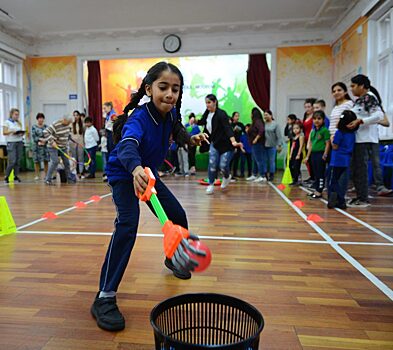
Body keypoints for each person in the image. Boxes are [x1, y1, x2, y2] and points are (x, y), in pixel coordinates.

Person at [91, 62, 208, 332]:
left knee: (177, 215)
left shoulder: (170, 113)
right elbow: (128, 145)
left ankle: (172, 257)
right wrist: (133, 169)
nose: (169, 94)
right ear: (149, 88)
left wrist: (192, 140)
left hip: (148, 173)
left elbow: (177, 131)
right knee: (128, 225)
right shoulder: (139, 118)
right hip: (125, 174)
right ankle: (104, 297)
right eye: (163, 87)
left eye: (175, 89)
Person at [347, 74, 392, 207]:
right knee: (356, 170)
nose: (351, 89)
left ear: (362, 86)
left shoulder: (369, 97)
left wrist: (361, 121)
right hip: (358, 139)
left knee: (361, 170)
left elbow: (378, 115)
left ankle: (363, 199)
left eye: (353, 86)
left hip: (365, 140)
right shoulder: (360, 100)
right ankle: (360, 196)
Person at [198, 94, 242, 195]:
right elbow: (202, 122)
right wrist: (195, 121)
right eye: (206, 103)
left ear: (215, 102)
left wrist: (233, 141)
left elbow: (227, 128)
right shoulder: (207, 113)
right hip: (214, 144)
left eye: (209, 102)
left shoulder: (221, 114)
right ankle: (211, 184)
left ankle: (227, 177)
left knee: (223, 166)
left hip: (226, 145)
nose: (207, 105)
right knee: (212, 164)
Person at [327, 110, 358, 210]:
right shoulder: (352, 134)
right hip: (346, 160)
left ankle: (338, 200)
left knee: (333, 181)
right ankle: (341, 201)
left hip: (336, 160)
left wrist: (332, 139)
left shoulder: (339, 133)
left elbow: (335, 146)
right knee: (341, 181)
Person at [40, 115, 75, 185]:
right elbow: (45, 132)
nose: (69, 124)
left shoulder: (68, 126)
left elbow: (66, 135)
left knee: (66, 163)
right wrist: (52, 141)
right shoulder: (56, 124)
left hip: (63, 147)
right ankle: (48, 179)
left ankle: (69, 179)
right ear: (64, 120)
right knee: (55, 161)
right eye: (68, 122)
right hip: (53, 146)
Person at [304, 111, 330, 198]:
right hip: (313, 154)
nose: (316, 121)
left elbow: (327, 143)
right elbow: (311, 144)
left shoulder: (325, 130)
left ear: (323, 120)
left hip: (320, 154)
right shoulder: (313, 131)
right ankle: (316, 189)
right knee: (315, 173)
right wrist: (307, 156)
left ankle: (319, 190)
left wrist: (325, 154)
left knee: (320, 173)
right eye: (314, 119)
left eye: (319, 119)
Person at [3, 108, 24, 183]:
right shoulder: (7, 122)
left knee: (18, 160)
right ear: (11, 114)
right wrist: (12, 131)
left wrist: (21, 133)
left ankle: (15, 175)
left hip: (19, 142)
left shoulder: (18, 123)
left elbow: (19, 131)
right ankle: (6, 176)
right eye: (15, 114)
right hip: (11, 143)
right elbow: (4, 132)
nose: (17, 116)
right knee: (12, 161)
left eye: (18, 115)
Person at [246, 107, 265, 182]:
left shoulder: (258, 121)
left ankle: (262, 176)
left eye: (251, 113)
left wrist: (256, 138)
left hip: (258, 144)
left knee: (259, 160)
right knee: (255, 159)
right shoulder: (255, 122)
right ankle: (254, 174)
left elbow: (261, 130)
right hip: (254, 144)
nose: (250, 115)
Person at [263, 110, 283, 182]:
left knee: (271, 161)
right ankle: (265, 175)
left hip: (272, 145)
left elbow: (279, 136)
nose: (265, 116)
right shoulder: (263, 124)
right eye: (264, 115)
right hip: (263, 146)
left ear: (271, 115)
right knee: (264, 161)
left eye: (267, 114)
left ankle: (271, 175)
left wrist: (279, 145)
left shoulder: (275, 124)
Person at [31, 113, 49, 181]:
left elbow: (48, 135)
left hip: (45, 145)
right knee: (36, 161)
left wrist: (45, 140)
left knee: (46, 160)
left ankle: (46, 174)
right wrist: (39, 139)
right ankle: (36, 175)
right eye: (39, 118)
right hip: (36, 145)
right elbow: (33, 136)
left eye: (42, 118)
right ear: (37, 119)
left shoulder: (46, 127)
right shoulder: (34, 127)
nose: (41, 119)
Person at [303, 98, 317, 183]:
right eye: (306, 107)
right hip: (305, 139)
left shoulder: (315, 116)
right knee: (308, 160)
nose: (307, 109)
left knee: (312, 159)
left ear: (313, 107)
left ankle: (315, 177)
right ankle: (311, 176)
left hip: (312, 139)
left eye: (309, 107)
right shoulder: (306, 116)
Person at [102, 101, 117, 181]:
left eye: (105, 108)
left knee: (111, 153)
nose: (104, 110)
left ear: (109, 107)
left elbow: (115, 126)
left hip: (112, 135)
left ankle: (112, 173)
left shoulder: (113, 115)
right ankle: (109, 173)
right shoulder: (108, 115)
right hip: (108, 135)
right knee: (108, 153)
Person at [230, 111, 245, 180]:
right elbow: (228, 133)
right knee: (230, 159)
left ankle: (235, 173)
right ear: (233, 117)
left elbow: (245, 131)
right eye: (236, 116)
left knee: (236, 160)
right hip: (231, 144)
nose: (237, 117)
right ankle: (229, 174)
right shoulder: (230, 125)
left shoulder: (241, 124)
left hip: (239, 144)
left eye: (238, 116)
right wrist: (233, 129)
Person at [289, 121, 304, 185]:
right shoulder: (294, 137)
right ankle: (293, 178)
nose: (295, 130)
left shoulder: (301, 136)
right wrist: (290, 154)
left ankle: (296, 180)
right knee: (291, 166)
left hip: (298, 153)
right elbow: (292, 146)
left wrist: (298, 154)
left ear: (300, 129)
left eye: (297, 128)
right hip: (293, 153)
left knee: (296, 166)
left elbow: (301, 146)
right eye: (294, 128)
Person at [70, 110, 85, 176]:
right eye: (74, 115)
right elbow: (69, 134)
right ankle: (75, 171)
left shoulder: (83, 124)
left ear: (79, 116)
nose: (75, 117)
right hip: (73, 144)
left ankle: (81, 171)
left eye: (77, 115)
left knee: (81, 158)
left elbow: (84, 134)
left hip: (81, 143)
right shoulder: (71, 124)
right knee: (74, 158)